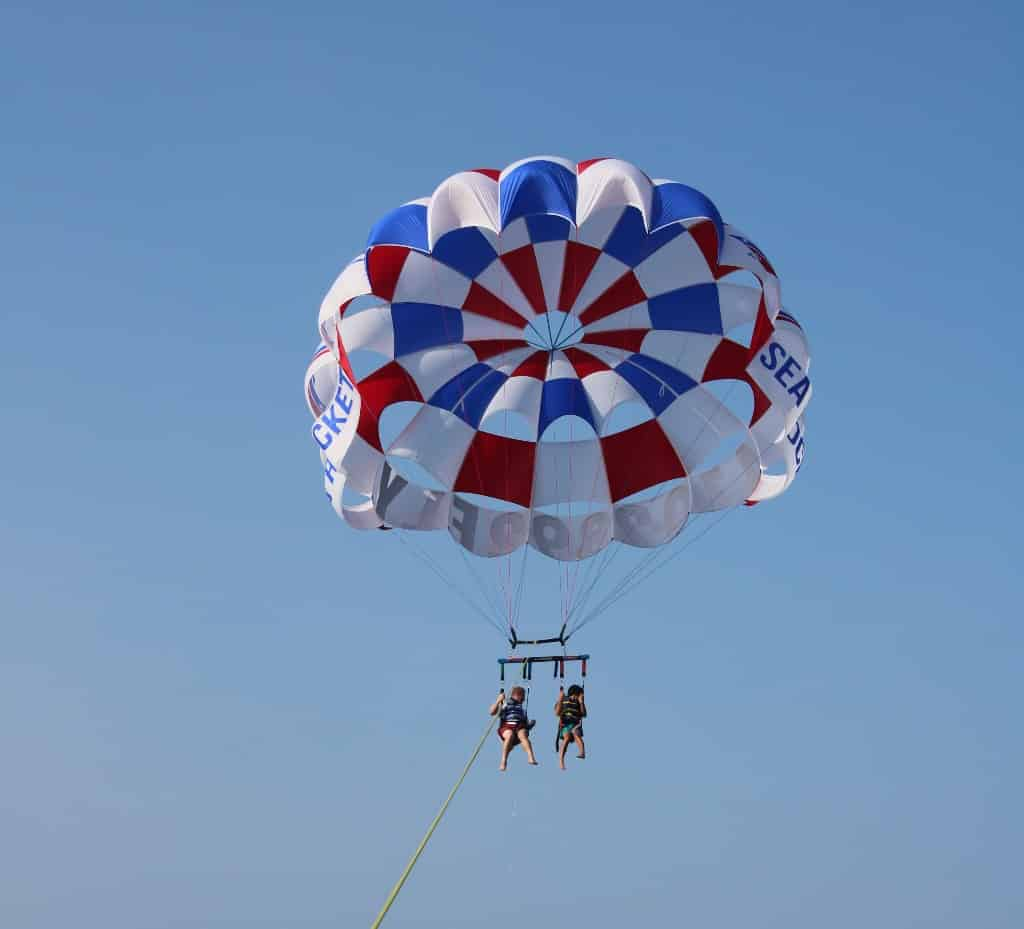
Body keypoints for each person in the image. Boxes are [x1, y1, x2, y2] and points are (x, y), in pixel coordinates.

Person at [489, 687, 538, 771]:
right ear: (518, 695)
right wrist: (498, 700)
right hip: (507, 726)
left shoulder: (521, 708)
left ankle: (530, 756)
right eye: (523, 697)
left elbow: (526, 724)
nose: (524, 700)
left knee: (522, 735)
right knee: (509, 735)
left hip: (519, 727)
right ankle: (503, 761)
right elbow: (492, 712)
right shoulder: (505, 703)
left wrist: (530, 725)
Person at [554, 684, 586, 770]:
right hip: (565, 725)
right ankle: (561, 761)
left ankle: (582, 752)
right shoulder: (564, 700)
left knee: (576, 733)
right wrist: (560, 700)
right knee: (567, 737)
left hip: (576, 725)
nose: (578, 698)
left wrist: (581, 702)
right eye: (578, 696)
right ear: (574, 694)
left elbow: (584, 714)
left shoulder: (579, 703)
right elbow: (557, 713)